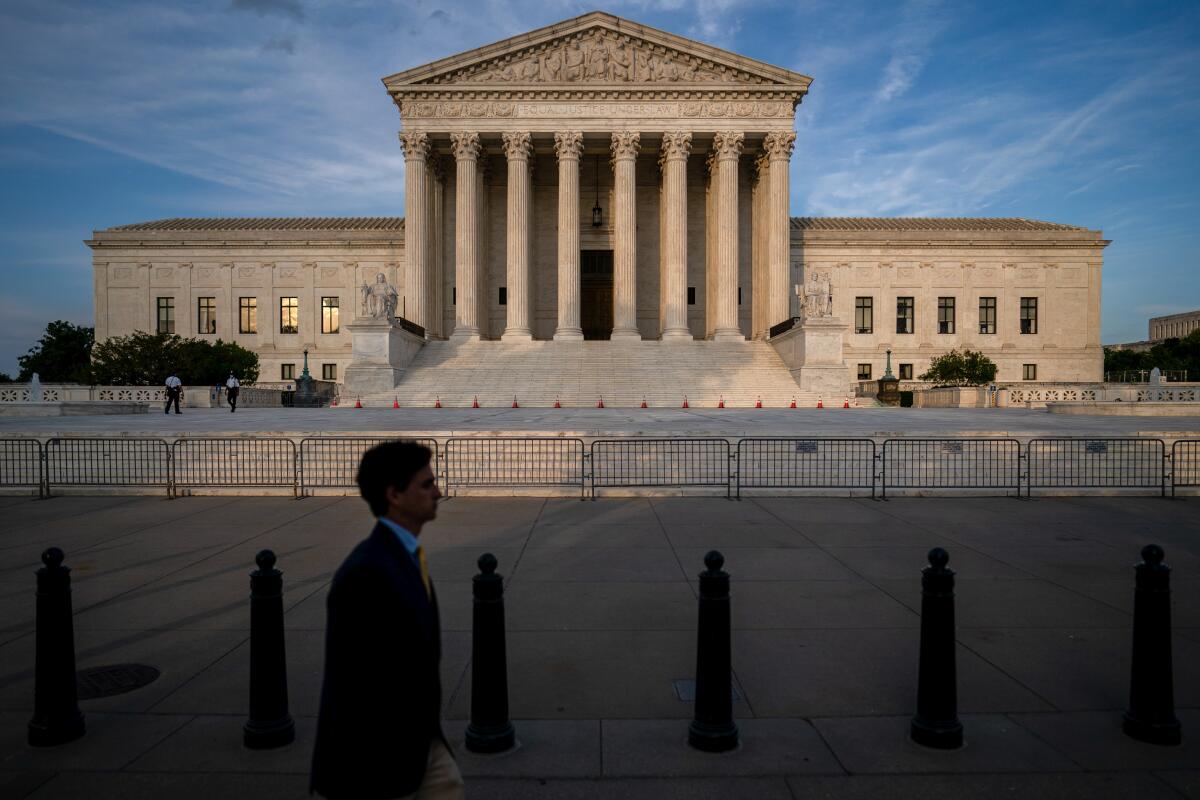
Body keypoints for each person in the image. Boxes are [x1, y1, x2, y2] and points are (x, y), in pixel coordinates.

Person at [311, 441, 462, 800]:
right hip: (379, 763)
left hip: (417, 741)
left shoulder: (405, 554)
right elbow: (354, 684)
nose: (438, 492)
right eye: (426, 485)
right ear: (394, 495)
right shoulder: (366, 573)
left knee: (449, 785)